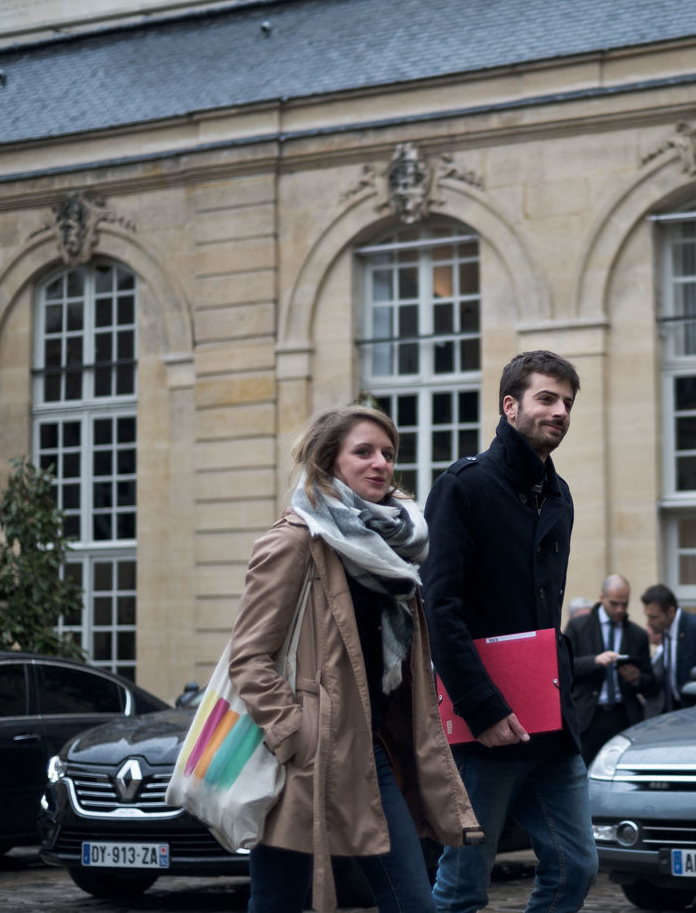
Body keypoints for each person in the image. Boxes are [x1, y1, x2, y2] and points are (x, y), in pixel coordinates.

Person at [227, 405, 481, 913]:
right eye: (363, 452)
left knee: (413, 903)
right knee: (276, 903)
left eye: (387, 453)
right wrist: (295, 733)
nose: (380, 463)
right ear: (329, 461)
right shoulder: (294, 542)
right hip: (305, 760)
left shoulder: (398, 549)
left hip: (373, 754)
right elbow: (249, 657)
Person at [423, 350, 598, 913]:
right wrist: (482, 708)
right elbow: (439, 609)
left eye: (567, 402)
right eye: (546, 398)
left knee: (576, 868)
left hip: (551, 721)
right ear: (510, 406)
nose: (560, 411)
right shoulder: (463, 486)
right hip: (483, 723)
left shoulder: (560, 494)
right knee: (462, 887)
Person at [564, 574, 657, 763]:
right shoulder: (578, 626)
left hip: (623, 716)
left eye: (625, 604)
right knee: (584, 771)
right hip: (587, 717)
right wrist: (594, 661)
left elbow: (650, 682)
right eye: (614, 604)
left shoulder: (637, 634)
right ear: (602, 598)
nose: (620, 609)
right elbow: (563, 667)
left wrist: (636, 678)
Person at [640, 583, 696, 712]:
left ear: (671, 612)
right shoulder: (666, 630)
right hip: (676, 710)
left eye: (654, 617)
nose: (649, 623)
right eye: (647, 616)